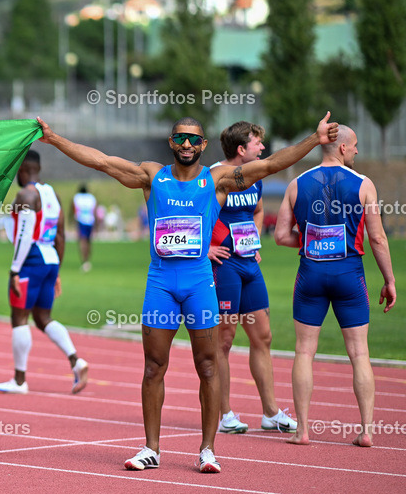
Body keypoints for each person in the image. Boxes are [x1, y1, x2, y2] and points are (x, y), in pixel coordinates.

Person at [37, 112, 339, 473]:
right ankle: (152, 449)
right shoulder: (152, 175)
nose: (186, 144)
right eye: (180, 138)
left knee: (208, 364)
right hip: (161, 283)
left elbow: (272, 163)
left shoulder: (219, 180)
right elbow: (101, 161)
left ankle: (207, 450)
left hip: (199, 283)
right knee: (153, 367)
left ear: (204, 145)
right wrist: (54, 139)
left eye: (194, 139)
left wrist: (314, 139)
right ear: (171, 142)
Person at [274, 125, 395, 446]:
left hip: (310, 275)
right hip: (349, 275)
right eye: (354, 146)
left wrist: (312, 240)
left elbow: (281, 236)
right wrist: (390, 280)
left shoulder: (297, 183)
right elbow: (378, 238)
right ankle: (367, 431)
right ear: (341, 148)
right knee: (359, 353)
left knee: (304, 351)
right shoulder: (364, 184)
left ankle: (302, 431)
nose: (356, 151)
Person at [208, 122, 297, 435]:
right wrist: (205, 248)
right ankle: (224, 414)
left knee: (263, 336)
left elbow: (258, 210)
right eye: (258, 144)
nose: (263, 149)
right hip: (224, 266)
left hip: (249, 264)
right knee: (225, 339)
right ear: (241, 150)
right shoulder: (212, 177)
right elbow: (192, 214)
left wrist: (254, 239)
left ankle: (271, 412)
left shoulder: (255, 176)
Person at [0, 150, 90, 395]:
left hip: (30, 260)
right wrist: (56, 272)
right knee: (43, 318)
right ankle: (76, 360)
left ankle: (20, 381)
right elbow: (61, 235)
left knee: (19, 318)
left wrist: (14, 270)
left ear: (22, 170)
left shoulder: (26, 194)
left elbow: (24, 235)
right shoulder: (51, 194)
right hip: (50, 260)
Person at [73, 185, 97, 272]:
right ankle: (88, 260)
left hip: (81, 220)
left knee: (82, 241)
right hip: (90, 221)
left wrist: (74, 221)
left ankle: (84, 260)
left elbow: (75, 210)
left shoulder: (77, 197)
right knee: (89, 241)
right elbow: (94, 210)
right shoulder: (91, 198)